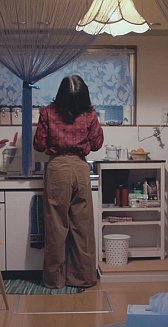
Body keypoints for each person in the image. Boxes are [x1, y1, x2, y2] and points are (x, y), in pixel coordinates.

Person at [33, 75, 104, 289]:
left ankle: (54, 279)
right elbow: (97, 143)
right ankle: (82, 277)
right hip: (80, 168)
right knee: (82, 226)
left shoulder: (47, 113)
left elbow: (39, 144)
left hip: (57, 169)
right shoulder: (90, 115)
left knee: (56, 226)